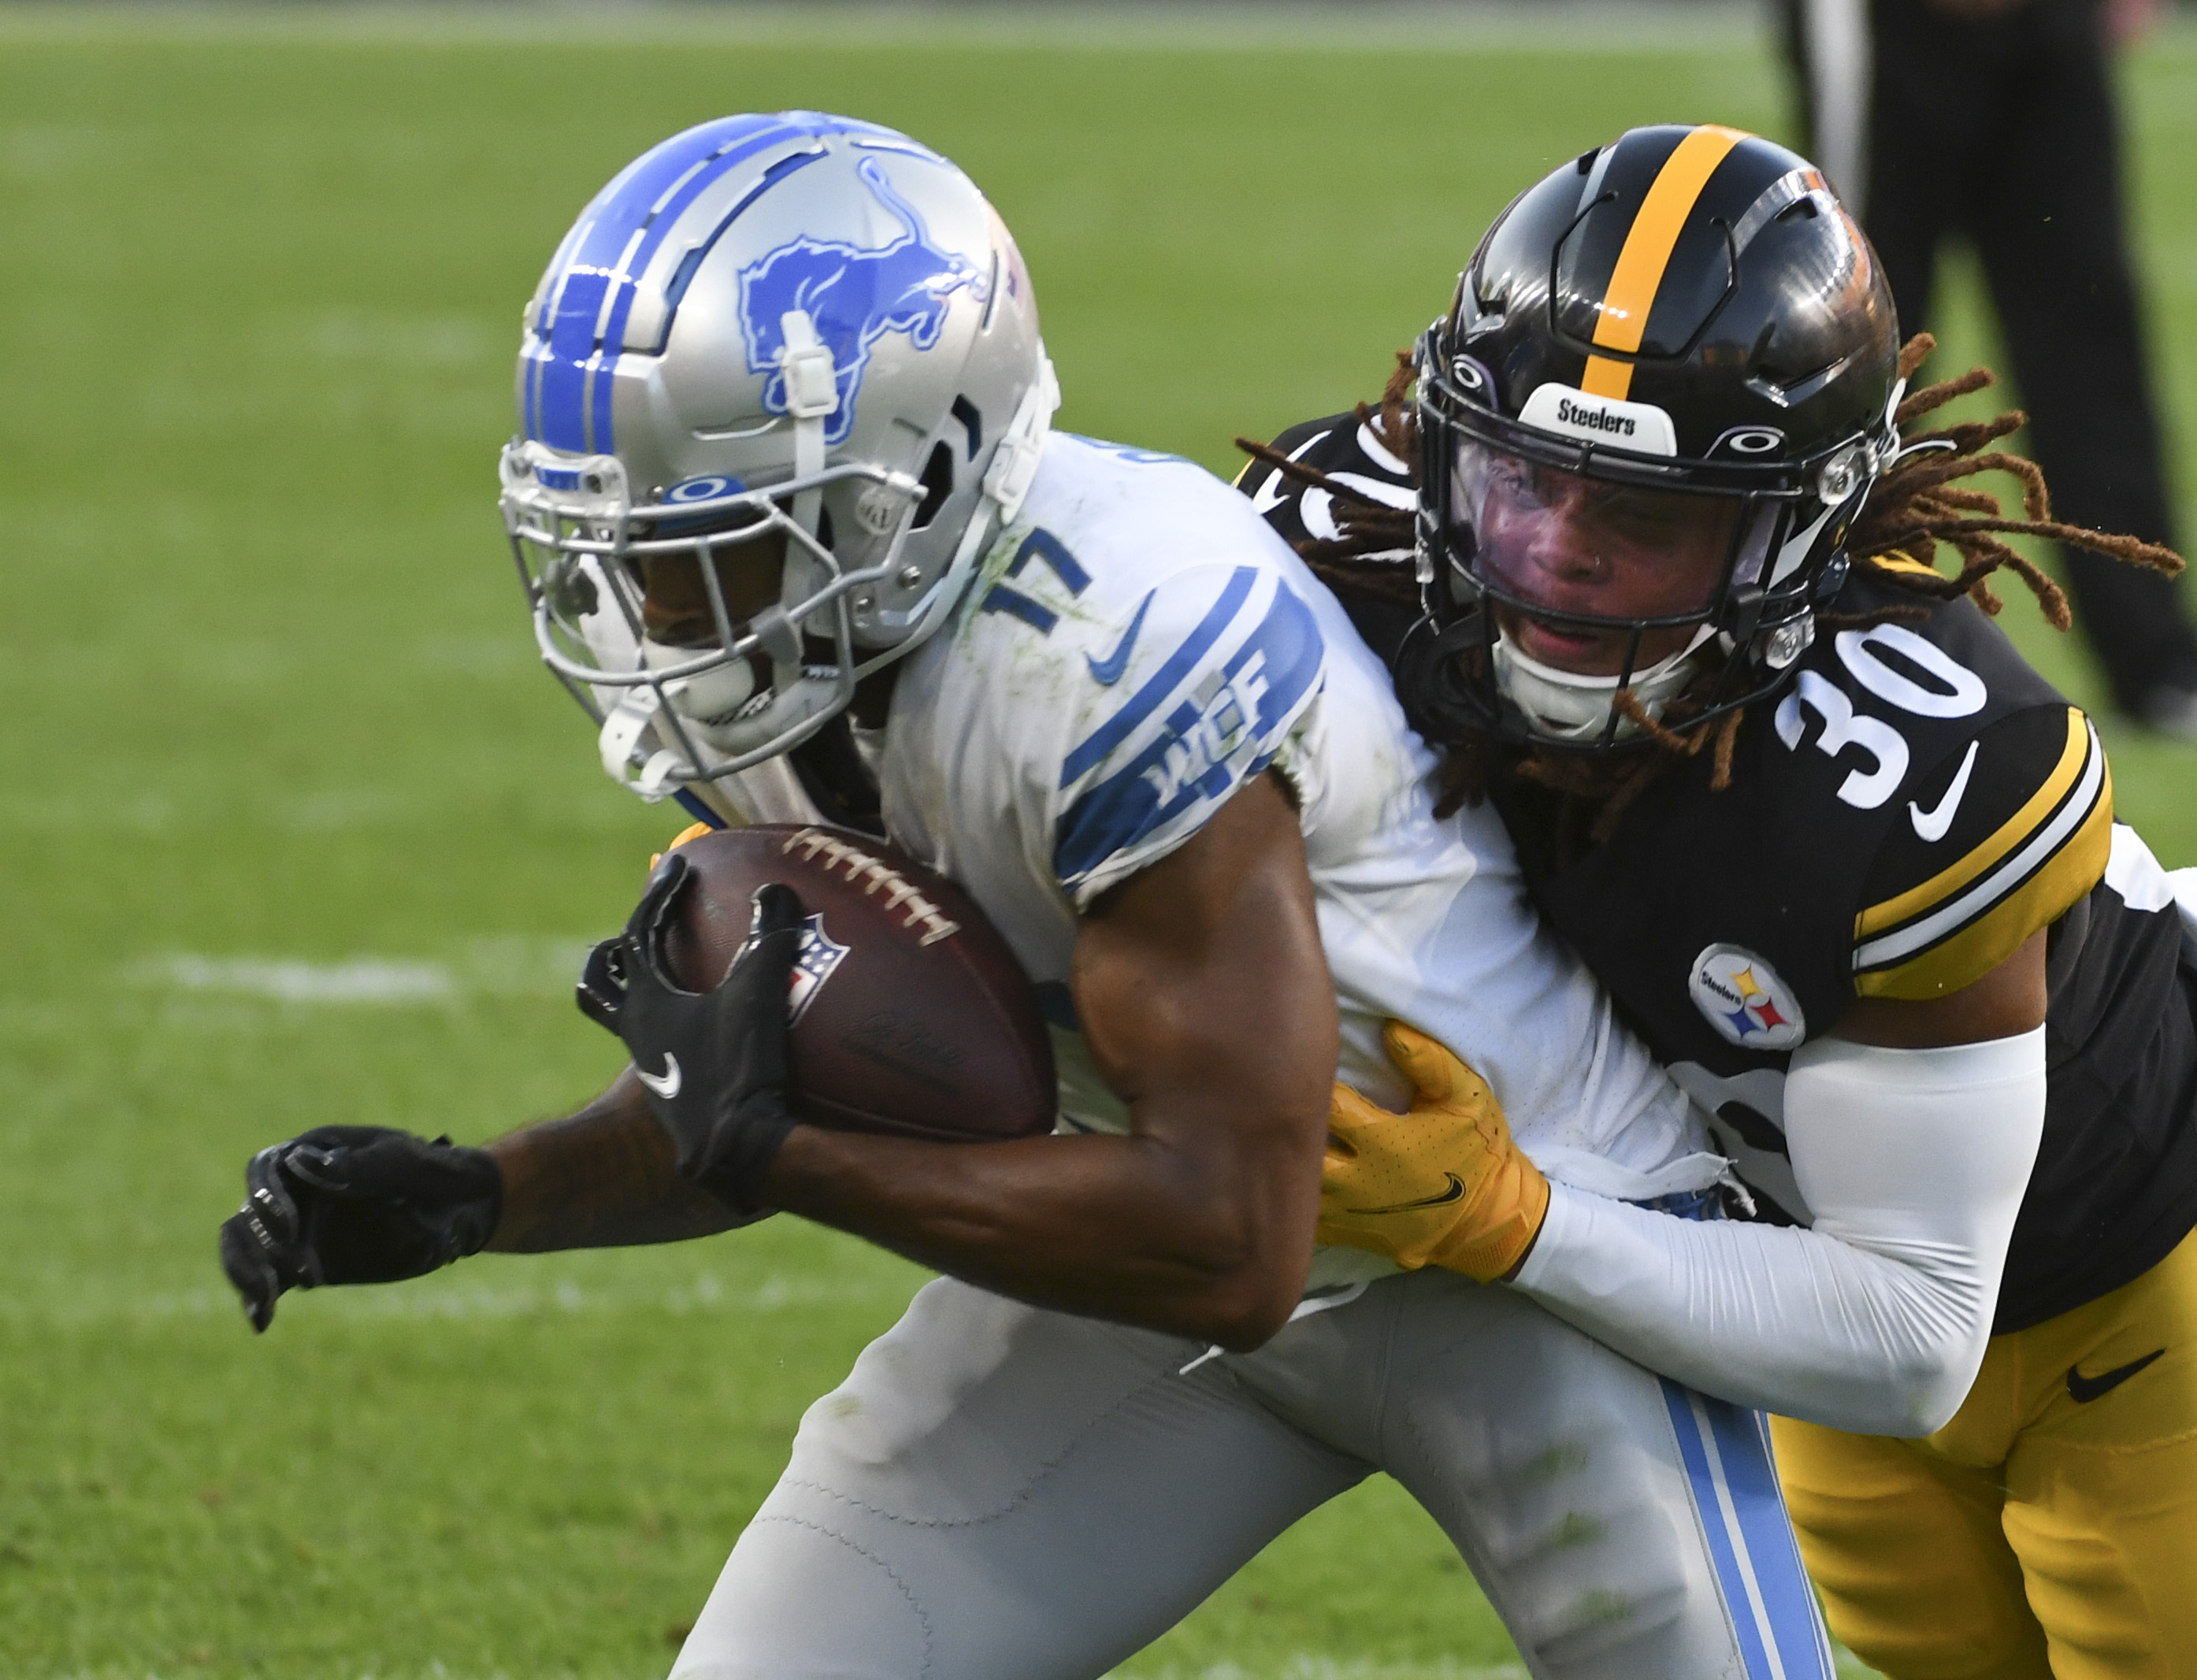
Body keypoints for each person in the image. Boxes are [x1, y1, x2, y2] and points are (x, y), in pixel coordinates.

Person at [216, 111, 1850, 1679]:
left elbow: (1230, 1237)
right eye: (626, 540)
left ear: (908, 491)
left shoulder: (1107, 651)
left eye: (706, 538)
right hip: (1143, 1252)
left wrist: (787, 1152)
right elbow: (761, 1089)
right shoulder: (787, 656)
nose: (648, 601)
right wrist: (480, 1192)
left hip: (1509, 1259)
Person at [1241, 121, 2197, 1679]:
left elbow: (1908, 1326)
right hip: (1775, 1279)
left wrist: (1510, 1217)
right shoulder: (1343, 550)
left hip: (2132, 1286)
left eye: (1640, 518)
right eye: (1521, 480)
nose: (1549, 556)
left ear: (1793, 531)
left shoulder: (1905, 765)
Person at [1778, 0, 2197, 740]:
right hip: (1888, 24)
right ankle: (1814, 645)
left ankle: (2161, 663)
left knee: (2091, 335)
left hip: (2043, 18)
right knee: (1863, 345)